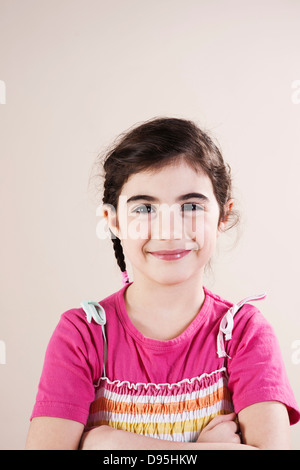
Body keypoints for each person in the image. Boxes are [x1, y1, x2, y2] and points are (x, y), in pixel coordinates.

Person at [26, 117, 300, 450]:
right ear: (113, 221)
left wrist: (109, 443)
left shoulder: (244, 334)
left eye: (190, 206)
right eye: (144, 208)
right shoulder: (82, 335)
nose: (169, 230)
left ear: (223, 217)